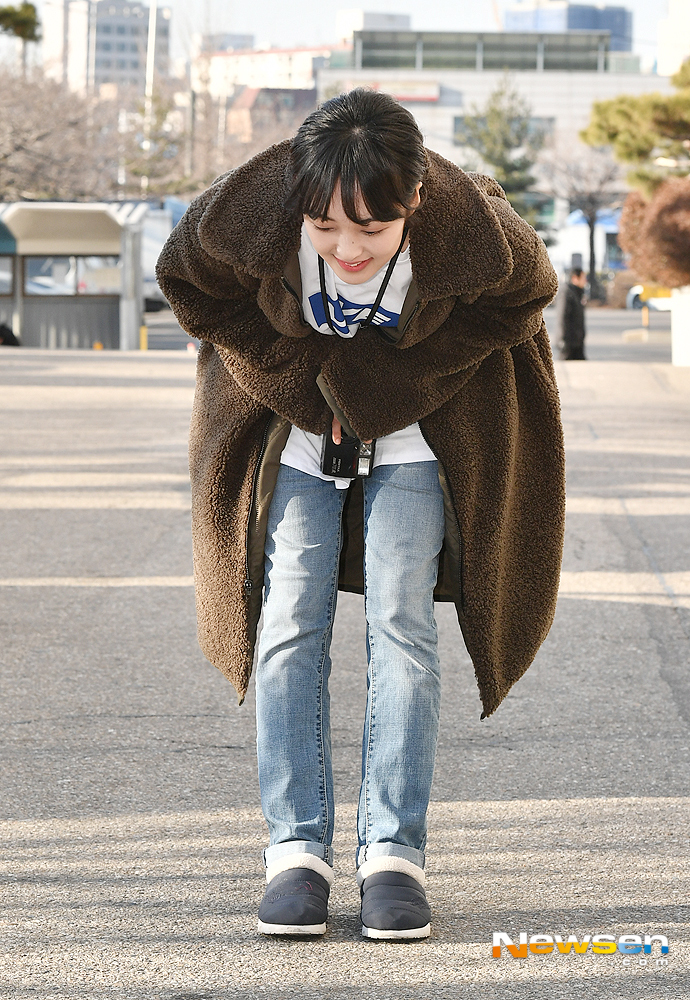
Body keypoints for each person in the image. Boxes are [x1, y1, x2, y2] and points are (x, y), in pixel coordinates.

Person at [156, 89, 565, 941]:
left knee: (401, 621)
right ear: (298, 202)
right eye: (326, 228)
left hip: (422, 427)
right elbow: (190, 286)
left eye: (372, 233)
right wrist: (306, 385)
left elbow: (525, 297)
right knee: (288, 621)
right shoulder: (246, 211)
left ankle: (393, 856)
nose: (346, 249)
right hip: (296, 427)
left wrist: (385, 390)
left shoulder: (472, 230)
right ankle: (294, 853)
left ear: (414, 202)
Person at [559, 267, 587, 360]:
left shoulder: (578, 293)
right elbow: (562, 316)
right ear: (575, 278)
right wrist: (563, 340)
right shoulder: (567, 292)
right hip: (568, 344)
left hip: (577, 342)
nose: (585, 281)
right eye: (583, 278)